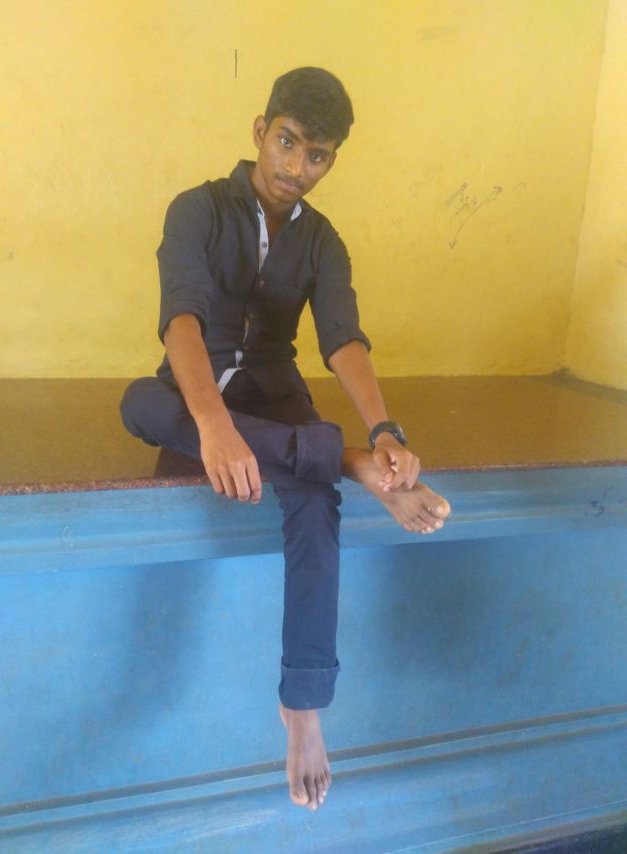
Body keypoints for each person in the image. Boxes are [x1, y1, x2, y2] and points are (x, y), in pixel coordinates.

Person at [120, 67, 450, 813]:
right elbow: (181, 321)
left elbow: (343, 339)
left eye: (318, 155)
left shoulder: (324, 242)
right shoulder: (198, 209)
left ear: (332, 160)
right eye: (288, 142)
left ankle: (303, 705)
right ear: (261, 131)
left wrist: (384, 429)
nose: (297, 166)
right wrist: (212, 425)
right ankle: (346, 462)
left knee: (313, 502)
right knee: (139, 403)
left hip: (275, 394)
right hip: (195, 391)